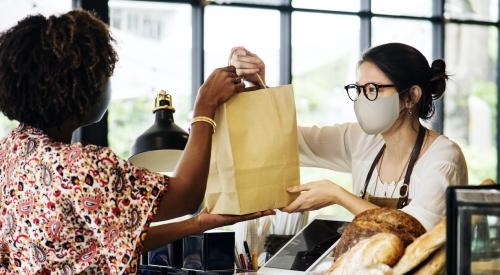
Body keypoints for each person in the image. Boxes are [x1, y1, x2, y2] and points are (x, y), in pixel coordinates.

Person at [0, 10, 273, 274]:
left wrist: (197, 224)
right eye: (104, 74)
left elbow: (98, 243)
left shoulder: (9, 152)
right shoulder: (78, 166)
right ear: (81, 86)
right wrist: (205, 105)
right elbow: (185, 195)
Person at [230, 43, 468, 230]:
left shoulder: (443, 157)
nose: (363, 99)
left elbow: (415, 229)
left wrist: (337, 195)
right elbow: (288, 140)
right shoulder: (363, 139)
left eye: (372, 89)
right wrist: (258, 85)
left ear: (411, 96)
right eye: (359, 89)